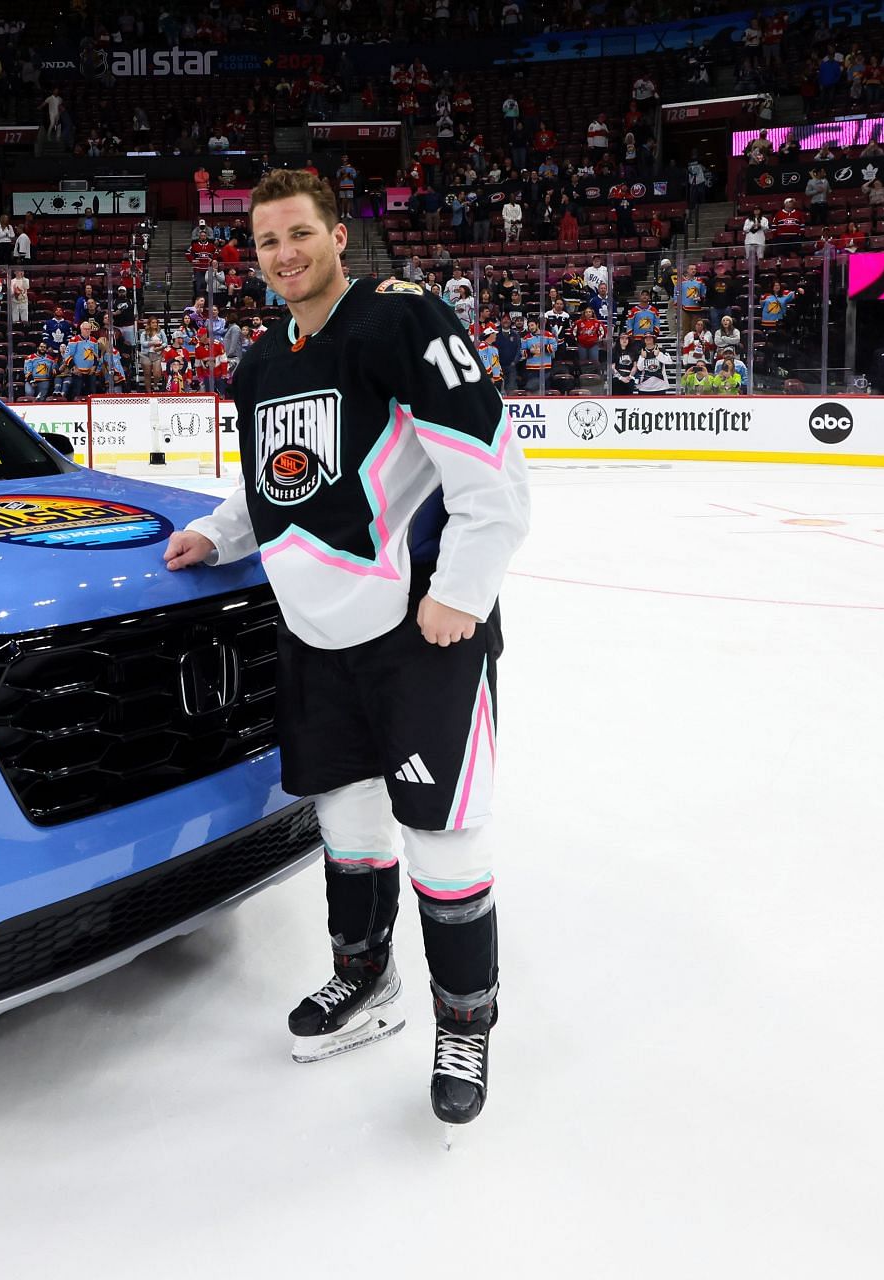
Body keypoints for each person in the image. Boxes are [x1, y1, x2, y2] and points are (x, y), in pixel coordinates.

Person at [163, 169, 529, 1127]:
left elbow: (492, 471)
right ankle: (366, 983)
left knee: (442, 835)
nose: (283, 255)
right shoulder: (257, 365)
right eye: (265, 243)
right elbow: (273, 489)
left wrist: (460, 590)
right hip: (317, 639)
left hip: (418, 634)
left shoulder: (404, 320)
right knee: (349, 823)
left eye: (298, 234)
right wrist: (217, 532)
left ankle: (466, 1022)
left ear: (338, 237)